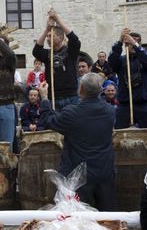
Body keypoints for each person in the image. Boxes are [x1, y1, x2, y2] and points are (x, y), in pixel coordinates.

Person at [38, 73, 117, 211]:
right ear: (101, 91)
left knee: (78, 218)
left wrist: (44, 98)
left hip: (79, 177)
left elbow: (48, 120)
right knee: (107, 217)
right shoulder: (110, 111)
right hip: (104, 172)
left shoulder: (72, 113)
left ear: (81, 89)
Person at [108, 28, 147, 128]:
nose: (133, 44)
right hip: (125, 105)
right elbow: (112, 62)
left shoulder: (145, 58)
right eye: (130, 41)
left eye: (136, 41)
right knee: (120, 137)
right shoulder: (121, 60)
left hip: (144, 104)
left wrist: (134, 44)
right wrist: (120, 41)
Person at [33, 9, 81, 110]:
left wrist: (57, 19)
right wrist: (47, 29)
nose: (48, 39)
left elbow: (74, 40)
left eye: (51, 36)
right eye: (47, 36)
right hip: (53, 96)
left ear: (60, 37)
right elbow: (36, 51)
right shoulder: (47, 54)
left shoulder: (70, 52)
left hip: (70, 96)